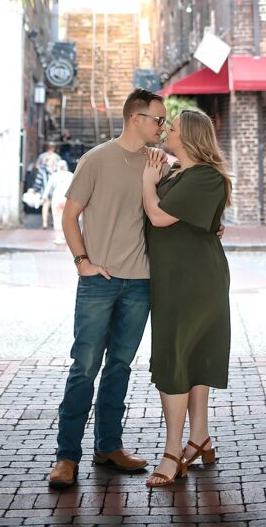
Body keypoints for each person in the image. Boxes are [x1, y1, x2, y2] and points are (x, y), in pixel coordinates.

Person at [47, 88, 167, 489]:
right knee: (84, 367)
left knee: (120, 366)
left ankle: (109, 447)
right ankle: (66, 457)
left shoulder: (158, 163)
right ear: (137, 118)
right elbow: (70, 217)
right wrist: (83, 263)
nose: (162, 127)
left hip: (141, 283)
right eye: (158, 119)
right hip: (99, 282)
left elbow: (172, 211)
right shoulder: (96, 159)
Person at [142, 109, 231, 488]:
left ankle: (173, 451)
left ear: (190, 136)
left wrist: (149, 182)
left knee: (176, 359)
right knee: (188, 358)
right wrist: (159, 176)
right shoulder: (181, 173)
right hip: (173, 279)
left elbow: (160, 218)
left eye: (173, 126)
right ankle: (201, 439)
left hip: (194, 282)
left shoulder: (206, 177)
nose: (166, 129)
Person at [50, 159, 73, 243]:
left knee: (56, 218)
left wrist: (43, 197)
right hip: (67, 199)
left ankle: (58, 237)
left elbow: (48, 188)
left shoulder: (54, 175)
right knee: (67, 218)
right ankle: (66, 236)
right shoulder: (70, 175)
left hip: (56, 199)